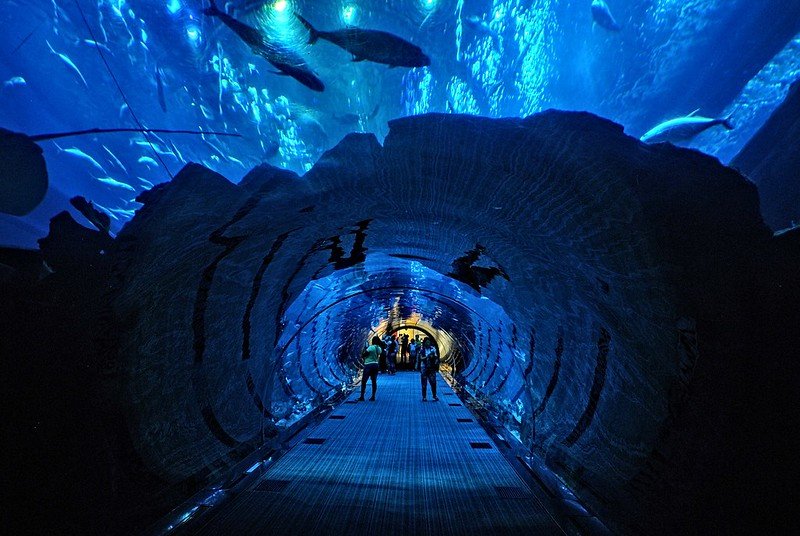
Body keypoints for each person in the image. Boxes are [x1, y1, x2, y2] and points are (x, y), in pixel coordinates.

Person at [358, 336, 383, 401]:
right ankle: (373, 396)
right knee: (374, 381)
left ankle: (362, 396)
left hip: (368, 365)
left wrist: (362, 353)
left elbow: (364, 354)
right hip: (375, 365)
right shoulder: (379, 348)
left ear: (373, 341)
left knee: (364, 381)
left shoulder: (371, 347)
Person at [419, 337, 440, 401]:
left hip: (431, 368)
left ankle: (434, 395)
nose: (428, 343)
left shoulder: (433, 349)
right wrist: (427, 356)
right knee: (424, 383)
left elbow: (436, 357)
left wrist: (435, 361)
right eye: (426, 342)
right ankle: (424, 397)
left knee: (433, 382)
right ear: (424, 343)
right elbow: (421, 358)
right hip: (424, 368)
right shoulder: (422, 350)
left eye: (429, 342)